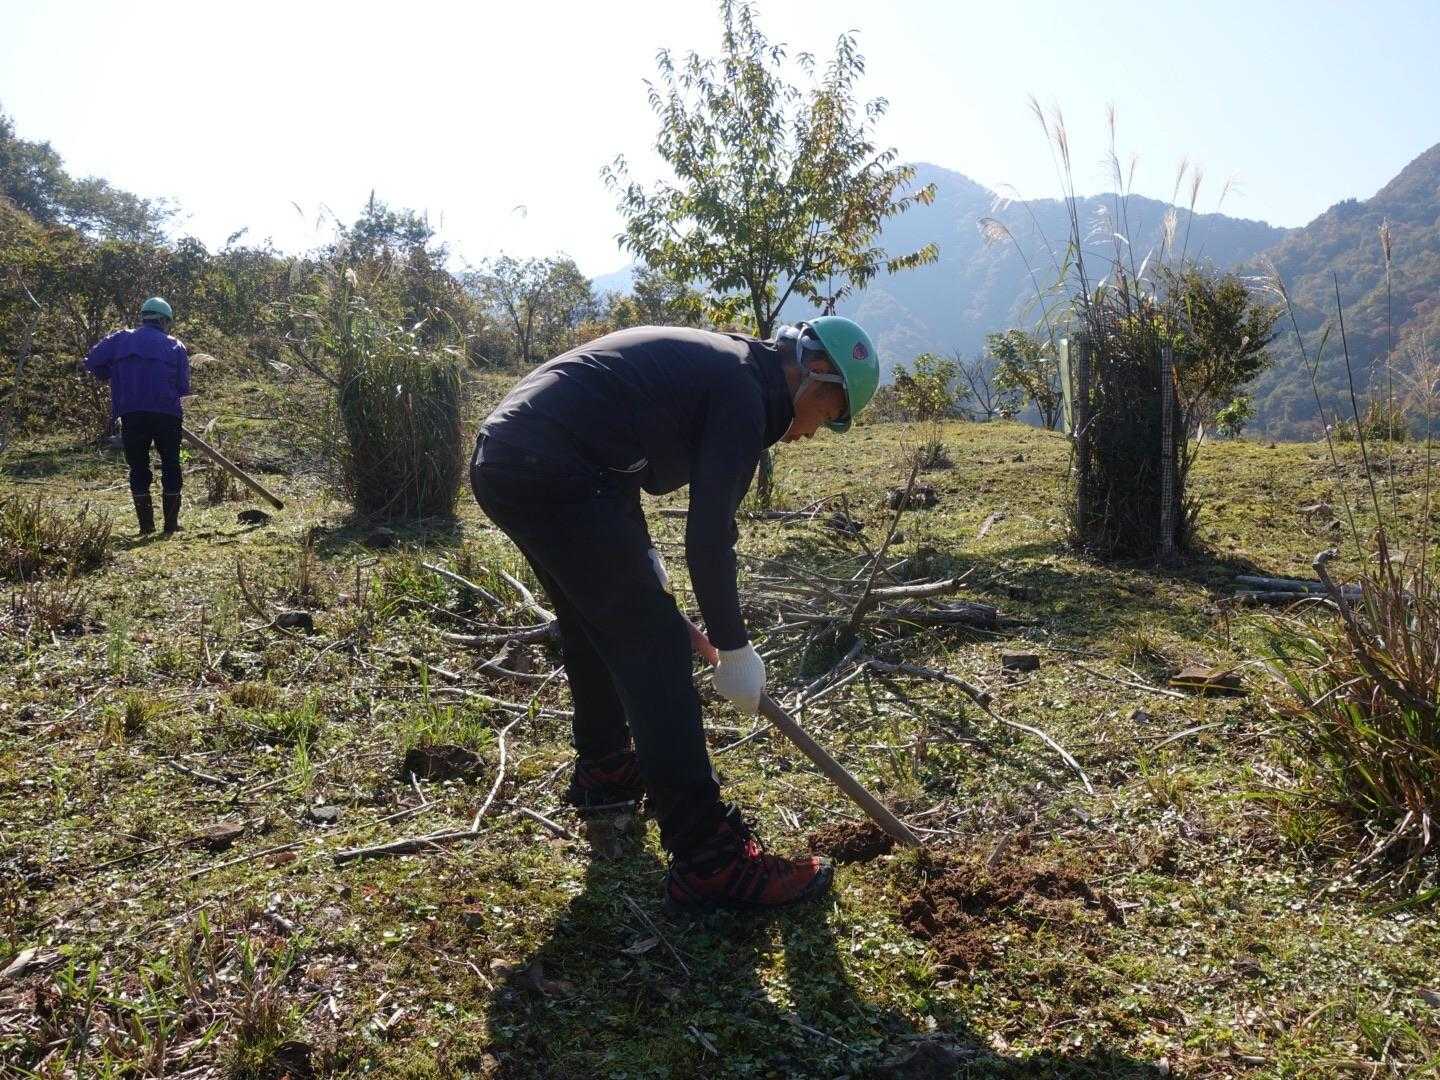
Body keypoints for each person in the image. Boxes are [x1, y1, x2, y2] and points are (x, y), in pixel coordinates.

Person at [470, 317, 880, 912]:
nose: (815, 431)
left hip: (513, 456)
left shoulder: (736, 370)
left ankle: (607, 767)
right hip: (553, 468)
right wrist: (734, 649)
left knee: (594, 621)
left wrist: (641, 563)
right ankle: (710, 861)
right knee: (656, 649)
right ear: (816, 375)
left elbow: (616, 457)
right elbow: (710, 538)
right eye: (828, 413)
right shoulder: (745, 393)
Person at [85, 297, 191, 536]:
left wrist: (114, 374)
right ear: (164, 321)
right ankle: (170, 526)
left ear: (144, 317)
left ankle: (146, 527)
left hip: (131, 414)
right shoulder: (175, 345)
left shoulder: (120, 339)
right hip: (167, 415)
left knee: (138, 467)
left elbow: (92, 362)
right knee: (171, 465)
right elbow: (183, 387)